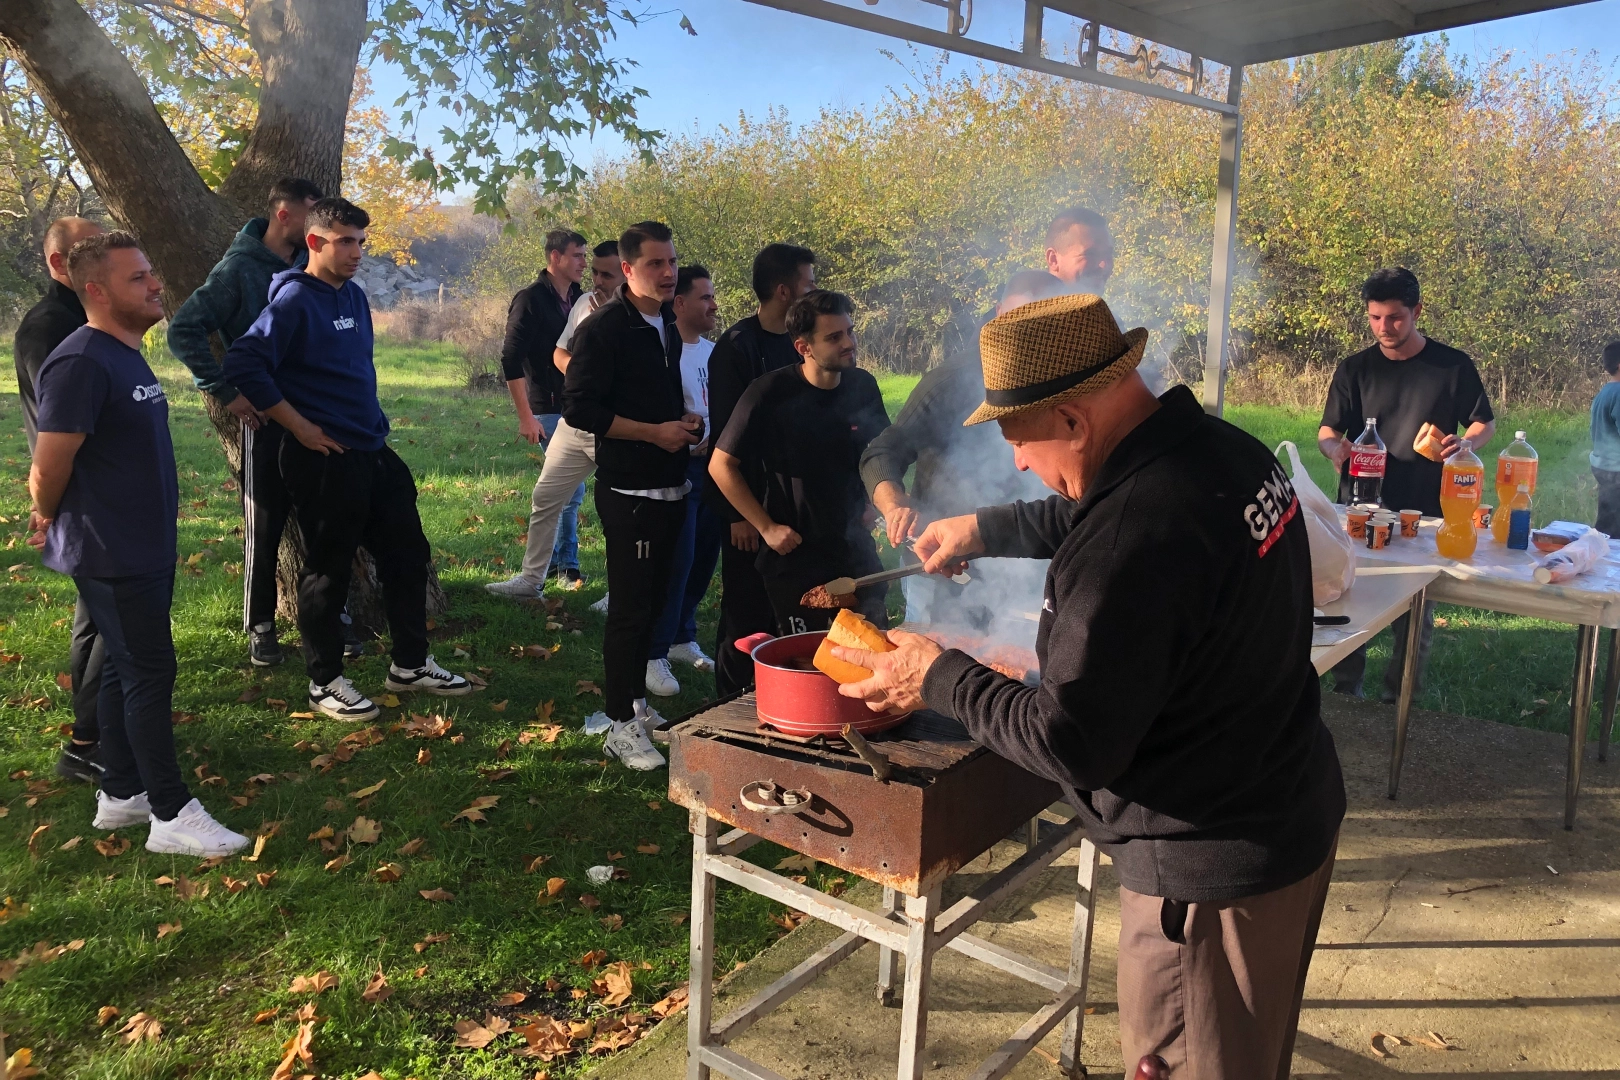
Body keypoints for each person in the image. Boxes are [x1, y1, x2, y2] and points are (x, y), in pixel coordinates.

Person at [833, 294, 1345, 1078]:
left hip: (1208, 879)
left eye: (1018, 438)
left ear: (1073, 420)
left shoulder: (1133, 537)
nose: (1016, 461)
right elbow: (1107, 512)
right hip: (1286, 808)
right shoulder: (1220, 455)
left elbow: (1070, 741)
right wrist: (987, 528)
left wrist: (936, 674)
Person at [30, 231, 249, 855]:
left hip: (141, 543)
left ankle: (121, 793)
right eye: (138, 278)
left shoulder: (123, 351)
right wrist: (45, 516)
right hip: (111, 549)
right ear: (94, 291)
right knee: (151, 674)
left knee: (130, 675)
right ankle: (172, 811)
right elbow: (49, 466)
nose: (155, 284)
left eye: (151, 272)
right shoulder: (80, 361)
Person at [222, 197, 470, 721]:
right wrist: (298, 425)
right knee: (327, 572)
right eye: (346, 242)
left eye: (361, 241)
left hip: (372, 450)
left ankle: (410, 664)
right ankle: (325, 682)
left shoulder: (353, 297)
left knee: (407, 554)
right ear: (314, 242)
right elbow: (244, 361)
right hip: (323, 459)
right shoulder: (292, 302)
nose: (357, 251)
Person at [167, 177, 325, 668]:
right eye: (310, 213)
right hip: (264, 421)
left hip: (317, 419)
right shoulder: (238, 270)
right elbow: (185, 328)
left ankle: (326, 617)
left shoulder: (311, 266)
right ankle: (260, 625)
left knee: (324, 522)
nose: (317, 224)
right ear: (283, 213)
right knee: (267, 526)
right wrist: (224, 391)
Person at [1318, 267, 1494, 702]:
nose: (1384, 327)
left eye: (1394, 317)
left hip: (1426, 508)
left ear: (1417, 311)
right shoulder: (1354, 368)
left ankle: (1400, 698)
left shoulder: (1451, 365)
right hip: (1361, 506)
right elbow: (1328, 431)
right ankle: (1346, 692)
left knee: (1416, 611)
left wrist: (1464, 445)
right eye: (1375, 317)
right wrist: (1336, 451)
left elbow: (1483, 423)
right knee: (1348, 598)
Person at [564, 221, 702, 768]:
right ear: (627, 269)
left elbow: (655, 395)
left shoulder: (665, 322)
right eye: (654, 265)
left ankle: (638, 705)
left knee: (656, 605)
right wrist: (653, 432)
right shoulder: (602, 331)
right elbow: (579, 408)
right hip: (629, 491)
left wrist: (681, 421)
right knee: (628, 610)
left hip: (673, 483)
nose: (667, 273)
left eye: (671, 262)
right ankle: (618, 723)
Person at [862, 271, 1059, 624]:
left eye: (1040, 322)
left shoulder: (1062, 380)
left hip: (1024, 563)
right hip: (942, 565)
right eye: (1016, 318)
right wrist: (895, 506)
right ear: (999, 313)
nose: (1025, 334)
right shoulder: (952, 380)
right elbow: (883, 452)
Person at [711, 290, 892, 633]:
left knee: (872, 649)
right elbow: (720, 465)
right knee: (808, 662)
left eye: (850, 332)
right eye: (834, 337)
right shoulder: (768, 393)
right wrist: (766, 527)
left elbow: (879, 451)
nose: (848, 343)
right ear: (803, 347)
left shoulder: (862, 385)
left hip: (854, 545)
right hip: (795, 554)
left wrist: (874, 501)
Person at [13, 215, 105, 784]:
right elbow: (58, 434)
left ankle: (100, 730)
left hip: (102, 494)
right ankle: (87, 744)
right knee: (104, 623)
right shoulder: (50, 329)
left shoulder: (83, 319)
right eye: (86, 252)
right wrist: (48, 504)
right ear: (56, 264)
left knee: (97, 617)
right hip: (86, 498)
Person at [704, 243, 817, 693]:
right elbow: (725, 444)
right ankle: (732, 697)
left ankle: (785, 687)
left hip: (796, 499)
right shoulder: (736, 348)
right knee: (744, 609)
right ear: (784, 291)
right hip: (749, 508)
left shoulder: (804, 343)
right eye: (809, 284)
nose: (815, 291)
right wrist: (740, 516)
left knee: (789, 605)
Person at [487, 239, 624, 601]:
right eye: (592, 269)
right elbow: (556, 350)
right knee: (548, 497)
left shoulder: (642, 313)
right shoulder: (577, 303)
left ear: (627, 272)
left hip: (613, 424)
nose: (595, 279)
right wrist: (576, 378)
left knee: (618, 507)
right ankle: (531, 581)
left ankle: (618, 592)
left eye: (604, 274)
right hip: (569, 418)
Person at [644, 265, 723, 697]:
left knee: (704, 555)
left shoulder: (715, 352)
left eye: (713, 297)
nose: (713, 305)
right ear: (679, 304)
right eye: (705, 297)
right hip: (678, 469)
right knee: (677, 559)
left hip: (715, 468)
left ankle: (681, 636)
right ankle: (653, 652)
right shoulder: (663, 351)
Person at [498, 228, 586, 589]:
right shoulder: (531, 300)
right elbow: (510, 357)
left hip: (578, 403)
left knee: (567, 489)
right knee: (568, 489)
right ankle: (566, 567)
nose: (583, 262)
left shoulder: (581, 297)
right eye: (577, 255)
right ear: (555, 257)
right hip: (546, 404)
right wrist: (525, 416)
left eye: (584, 255)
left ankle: (552, 566)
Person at [1045, 206, 1115, 296]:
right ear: (1053, 259)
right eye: (1090, 254)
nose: (1103, 265)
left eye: (1107, 254)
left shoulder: (1101, 309)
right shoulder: (1029, 308)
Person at [1590, 342, 1620, 536]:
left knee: (1608, 523)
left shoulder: (1604, 392)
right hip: (1617, 470)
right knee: (1614, 530)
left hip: (1603, 466)